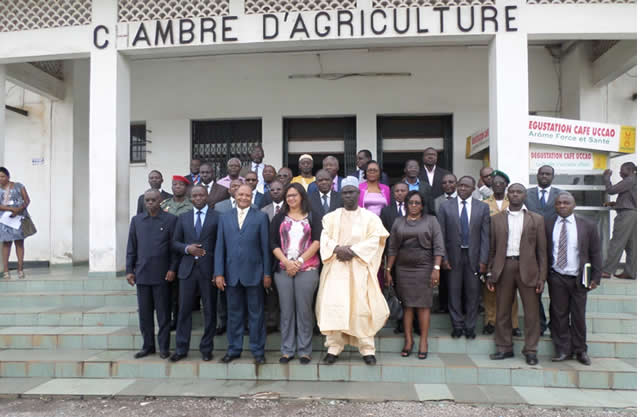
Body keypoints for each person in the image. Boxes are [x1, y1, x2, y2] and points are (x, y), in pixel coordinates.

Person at [316, 177, 390, 366]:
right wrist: (337, 249)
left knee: (361, 307)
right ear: (341, 195)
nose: (348, 196)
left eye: (352, 192)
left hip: (359, 268)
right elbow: (325, 238)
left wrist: (353, 250)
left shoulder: (370, 218)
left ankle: (367, 349)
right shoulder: (331, 217)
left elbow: (376, 239)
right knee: (336, 307)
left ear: (359, 193)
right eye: (345, 192)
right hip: (336, 268)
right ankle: (334, 347)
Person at [487, 183, 547, 366]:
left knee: (531, 313)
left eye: (518, 192)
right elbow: (492, 248)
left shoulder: (536, 219)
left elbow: (542, 252)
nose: (515, 195)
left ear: (524, 196)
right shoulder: (496, 219)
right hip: (504, 267)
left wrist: (542, 277)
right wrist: (490, 273)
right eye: (511, 192)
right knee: (503, 310)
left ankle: (531, 350)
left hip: (528, 269)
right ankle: (504, 348)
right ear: (507, 195)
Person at [215, 184, 272, 364]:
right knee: (234, 314)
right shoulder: (224, 218)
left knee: (256, 314)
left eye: (247, 195)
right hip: (231, 275)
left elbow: (265, 248)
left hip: (254, 274)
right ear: (235, 194)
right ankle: (234, 349)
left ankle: (257, 351)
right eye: (240, 194)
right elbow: (219, 248)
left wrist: (267, 274)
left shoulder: (261, 217)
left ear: (252, 197)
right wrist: (218, 273)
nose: (244, 198)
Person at [386, 191, 445, 359]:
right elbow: (392, 248)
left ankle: (424, 342)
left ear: (422, 205)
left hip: (424, 267)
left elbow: (439, 246)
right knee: (407, 306)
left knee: (423, 305)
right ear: (405, 204)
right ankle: (409, 341)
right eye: (410, 202)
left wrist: (436, 268)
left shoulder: (431, 221)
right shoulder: (398, 222)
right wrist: (388, 270)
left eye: (417, 203)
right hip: (403, 269)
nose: (413, 205)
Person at [546, 192, 602, 366]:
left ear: (574, 205)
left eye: (566, 203)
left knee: (578, 315)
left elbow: (596, 252)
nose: (562, 205)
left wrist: (596, 277)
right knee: (558, 315)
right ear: (555, 206)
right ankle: (563, 349)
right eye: (559, 203)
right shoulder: (547, 224)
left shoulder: (588, 225)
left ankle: (580, 350)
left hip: (580, 277)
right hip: (556, 276)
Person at [270, 183, 322, 364]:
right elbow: (273, 243)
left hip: (307, 268)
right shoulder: (279, 218)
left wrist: (299, 262)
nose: (291, 198)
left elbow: (317, 241)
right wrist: (286, 262)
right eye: (288, 196)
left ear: (301, 197)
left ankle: (305, 351)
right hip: (283, 269)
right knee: (286, 310)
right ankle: (287, 350)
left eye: (294, 195)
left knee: (304, 310)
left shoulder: (313, 217)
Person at [170, 185, 220, 362]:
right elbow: (174, 242)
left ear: (207, 196)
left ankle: (206, 348)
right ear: (191, 198)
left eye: (201, 195)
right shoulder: (183, 218)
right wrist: (187, 248)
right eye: (195, 195)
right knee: (184, 311)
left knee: (209, 311)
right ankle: (181, 348)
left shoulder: (217, 217)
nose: (198, 198)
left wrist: (218, 271)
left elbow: (220, 245)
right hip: (187, 271)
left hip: (208, 271)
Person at [126, 189, 178, 359]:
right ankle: (148, 346)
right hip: (142, 274)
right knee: (145, 314)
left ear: (160, 200)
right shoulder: (137, 221)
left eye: (153, 200)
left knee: (163, 314)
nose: (149, 203)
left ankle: (164, 347)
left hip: (163, 275)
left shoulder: (171, 220)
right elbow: (131, 248)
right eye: (147, 200)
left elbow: (174, 248)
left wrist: (172, 269)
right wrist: (129, 270)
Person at [437, 176, 490, 339]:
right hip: (453, 256)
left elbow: (485, 236)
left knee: (473, 293)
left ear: (474, 188)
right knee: (454, 291)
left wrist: (483, 260)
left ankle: (470, 326)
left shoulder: (482, 207)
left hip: (473, 256)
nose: (462, 189)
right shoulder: (445, 207)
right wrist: (443, 258)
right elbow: (441, 235)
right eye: (460, 185)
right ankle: (457, 325)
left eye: (466, 186)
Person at [481, 170, 521, 337]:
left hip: (509, 250)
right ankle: (490, 321)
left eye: (501, 183)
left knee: (511, 290)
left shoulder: (512, 202)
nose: (497, 185)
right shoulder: (483, 203)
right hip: (491, 250)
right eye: (495, 182)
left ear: (506, 185)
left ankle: (513, 324)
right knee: (490, 288)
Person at [525, 165, 562, 336]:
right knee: (535, 291)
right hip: (532, 249)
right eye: (542, 173)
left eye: (548, 174)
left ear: (553, 177)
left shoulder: (561, 195)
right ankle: (539, 324)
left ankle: (555, 324)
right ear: (537, 175)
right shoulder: (526, 193)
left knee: (556, 292)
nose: (544, 176)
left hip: (555, 249)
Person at [160, 175, 194, 330]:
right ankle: (169, 319)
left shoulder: (191, 205)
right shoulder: (164, 204)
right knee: (168, 289)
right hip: (166, 251)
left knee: (181, 291)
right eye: (174, 184)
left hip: (185, 251)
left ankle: (180, 319)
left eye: (181, 185)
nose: (177, 187)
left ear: (186, 188)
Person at [601, 162, 636, 279]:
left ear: (630, 170)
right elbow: (630, 199)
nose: (620, 172)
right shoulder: (634, 180)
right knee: (632, 245)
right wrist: (615, 204)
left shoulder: (630, 179)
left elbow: (611, 190)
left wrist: (606, 178)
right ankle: (630, 272)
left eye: (622, 170)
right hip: (633, 214)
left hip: (626, 215)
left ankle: (606, 271)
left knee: (616, 242)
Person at [0, 167, 33, 279]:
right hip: (5, 220)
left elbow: (27, 200)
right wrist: (10, 209)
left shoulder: (19, 186)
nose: (1, 179)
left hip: (18, 218)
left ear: (8, 176)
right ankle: (6, 271)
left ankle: (20, 269)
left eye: (3, 176)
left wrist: (19, 209)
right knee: (6, 244)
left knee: (19, 243)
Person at [261, 180, 285, 333]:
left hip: (287, 256)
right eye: (272, 189)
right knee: (271, 291)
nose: (275, 191)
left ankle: (285, 322)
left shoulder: (291, 208)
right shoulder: (263, 210)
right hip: (269, 255)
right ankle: (271, 321)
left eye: (279, 189)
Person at [432, 173, 457, 314]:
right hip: (442, 243)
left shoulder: (462, 200)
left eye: (451, 182)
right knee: (444, 277)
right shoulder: (436, 201)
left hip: (460, 245)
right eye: (445, 182)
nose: (447, 185)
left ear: (456, 183)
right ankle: (443, 305)